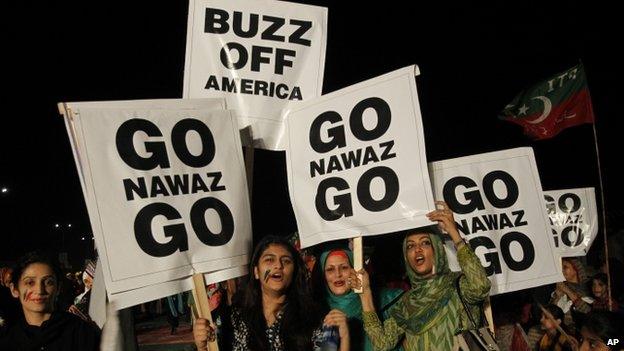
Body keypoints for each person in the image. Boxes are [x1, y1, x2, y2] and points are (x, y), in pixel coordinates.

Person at [354, 201, 491, 350]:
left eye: (425, 243)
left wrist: (454, 234)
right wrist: (365, 294)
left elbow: (481, 285)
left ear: (437, 250)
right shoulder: (406, 304)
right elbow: (382, 344)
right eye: (410, 246)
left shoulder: (457, 286)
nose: (417, 249)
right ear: (406, 257)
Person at [193, 235, 350, 351]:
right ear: (256, 271)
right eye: (269, 260)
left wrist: (344, 339)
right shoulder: (230, 319)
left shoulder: (314, 319)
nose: (278, 266)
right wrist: (202, 347)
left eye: (286, 261)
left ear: (294, 272)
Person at [0, 251, 101, 351]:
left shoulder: (81, 333)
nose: (39, 290)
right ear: (14, 289)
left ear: (58, 288)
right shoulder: (8, 342)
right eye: (30, 282)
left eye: (49, 282)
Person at [316, 247, 403, 351]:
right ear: (323, 275)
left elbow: (383, 346)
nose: (338, 274)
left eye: (344, 267)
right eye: (330, 269)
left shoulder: (390, 300)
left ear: (355, 269)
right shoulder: (316, 313)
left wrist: (365, 294)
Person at [550, 258, 593, 334]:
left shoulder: (589, 288)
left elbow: (588, 312)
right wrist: (557, 296)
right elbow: (552, 313)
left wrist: (567, 291)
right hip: (562, 330)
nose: (562, 270)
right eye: (560, 268)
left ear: (576, 270)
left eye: (565, 267)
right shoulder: (559, 286)